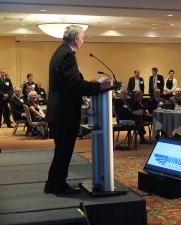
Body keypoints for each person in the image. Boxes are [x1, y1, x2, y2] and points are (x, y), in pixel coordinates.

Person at [44, 25, 113, 195]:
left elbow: (71, 82)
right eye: (82, 37)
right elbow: (75, 85)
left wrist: (89, 83)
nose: (83, 40)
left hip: (59, 113)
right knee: (64, 151)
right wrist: (99, 86)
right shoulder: (67, 55)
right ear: (76, 39)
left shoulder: (60, 52)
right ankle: (57, 185)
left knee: (61, 151)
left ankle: (53, 183)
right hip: (64, 114)